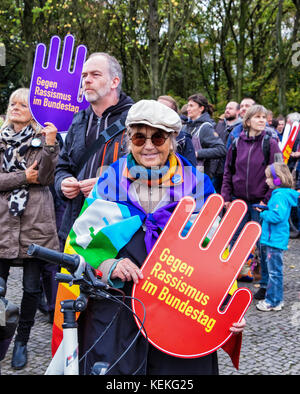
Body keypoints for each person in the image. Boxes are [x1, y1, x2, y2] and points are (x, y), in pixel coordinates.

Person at [64, 100, 245, 375]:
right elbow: (79, 243)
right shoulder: (108, 182)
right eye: (139, 136)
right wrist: (107, 264)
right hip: (118, 313)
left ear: (172, 140)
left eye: (158, 137)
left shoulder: (195, 186)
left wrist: (226, 305)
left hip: (180, 314)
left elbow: (217, 256)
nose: (148, 145)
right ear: (129, 140)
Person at [0, 88, 60, 369]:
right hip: (2, 223)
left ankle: (21, 341)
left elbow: (46, 178)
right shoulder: (0, 138)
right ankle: (2, 337)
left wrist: (49, 144)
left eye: (23, 104)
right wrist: (23, 176)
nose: (16, 107)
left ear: (34, 110)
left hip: (36, 221)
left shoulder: (44, 138)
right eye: (13, 102)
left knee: (31, 288)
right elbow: (28, 178)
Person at [54, 52, 134, 248]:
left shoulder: (136, 120)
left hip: (117, 232)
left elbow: (152, 174)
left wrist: (106, 184)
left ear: (114, 82)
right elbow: (62, 166)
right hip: (74, 228)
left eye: (95, 75)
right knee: (70, 280)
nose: (87, 80)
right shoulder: (78, 120)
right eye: (84, 76)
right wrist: (63, 183)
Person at [221, 105, 283, 281]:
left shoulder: (270, 143)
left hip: (260, 203)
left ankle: (265, 281)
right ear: (247, 121)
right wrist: (226, 198)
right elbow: (228, 172)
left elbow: (279, 174)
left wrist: (267, 200)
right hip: (237, 201)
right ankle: (231, 276)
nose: (262, 120)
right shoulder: (236, 143)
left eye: (264, 117)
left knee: (261, 242)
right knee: (234, 239)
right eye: (257, 117)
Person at [255, 163, 299, 311]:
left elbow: (277, 216)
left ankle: (273, 301)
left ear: (278, 179)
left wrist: (262, 213)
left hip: (274, 240)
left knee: (274, 273)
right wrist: (266, 208)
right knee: (275, 271)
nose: (266, 181)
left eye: (268, 178)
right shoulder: (281, 195)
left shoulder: (279, 196)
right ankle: (276, 300)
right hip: (274, 238)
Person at [183, 93, 226, 179]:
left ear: (201, 108)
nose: (188, 109)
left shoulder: (205, 127)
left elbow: (221, 150)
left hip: (200, 174)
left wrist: (197, 154)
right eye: (188, 106)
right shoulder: (185, 127)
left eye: (191, 106)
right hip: (185, 172)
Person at [157, 95, 197, 166]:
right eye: (156, 107)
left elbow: (190, 171)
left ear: (173, 115)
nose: (158, 112)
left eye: (163, 109)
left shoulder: (183, 140)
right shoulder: (145, 137)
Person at [214, 101, 241, 192]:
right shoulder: (219, 125)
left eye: (230, 108)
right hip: (216, 169)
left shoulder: (240, 128)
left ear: (238, 111)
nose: (227, 110)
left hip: (231, 169)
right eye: (226, 108)